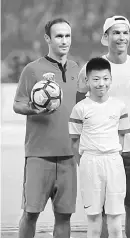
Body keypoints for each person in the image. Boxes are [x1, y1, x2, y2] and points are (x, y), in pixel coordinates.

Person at [76, 16, 130, 238]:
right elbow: (79, 103)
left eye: (125, 33)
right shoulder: (92, 68)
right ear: (105, 37)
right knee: (101, 210)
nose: (121, 37)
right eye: (116, 32)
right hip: (100, 151)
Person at [13, 18, 79, 238]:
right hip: (39, 156)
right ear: (47, 39)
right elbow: (17, 104)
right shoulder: (32, 70)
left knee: (64, 216)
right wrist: (35, 109)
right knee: (31, 213)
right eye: (59, 36)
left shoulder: (76, 68)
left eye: (67, 36)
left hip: (69, 156)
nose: (64, 41)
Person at [69, 57, 130, 238]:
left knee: (116, 223)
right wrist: (85, 163)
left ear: (111, 80)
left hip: (113, 162)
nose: (101, 83)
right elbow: (74, 141)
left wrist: (114, 157)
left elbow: (121, 137)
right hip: (90, 162)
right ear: (87, 81)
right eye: (96, 79)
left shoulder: (119, 107)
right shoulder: (80, 109)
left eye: (105, 78)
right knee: (94, 221)